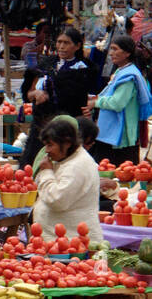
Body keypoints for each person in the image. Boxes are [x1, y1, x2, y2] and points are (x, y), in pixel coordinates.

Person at [20, 26, 91, 169]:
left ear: (77, 46)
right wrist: (36, 94)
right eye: (59, 42)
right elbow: (28, 93)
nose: (61, 47)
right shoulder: (46, 65)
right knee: (34, 167)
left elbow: (90, 98)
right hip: (41, 127)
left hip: (67, 129)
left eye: (66, 43)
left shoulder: (85, 70)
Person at [85, 34, 152, 166]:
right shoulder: (121, 72)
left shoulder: (129, 76)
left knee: (118, 173)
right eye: (111, 49)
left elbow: (117, 103)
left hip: (120, 138)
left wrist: (95, 103)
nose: (111, 53)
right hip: (111, 133)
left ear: (127, 53)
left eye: (115, 49)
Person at [33, 115, 103, 242]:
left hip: (72, 243)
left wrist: (47, 172)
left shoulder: (78, 165)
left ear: (67, 143)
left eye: (50, 145)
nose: (47, 151)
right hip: (59, 241)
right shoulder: (64, 158)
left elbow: (57, 200)